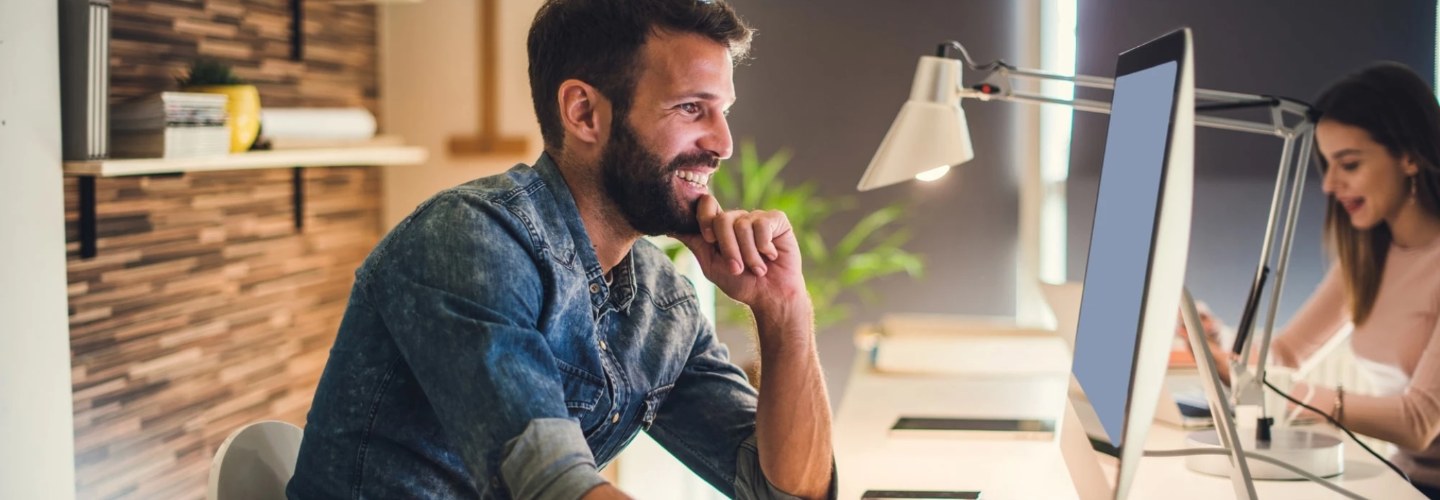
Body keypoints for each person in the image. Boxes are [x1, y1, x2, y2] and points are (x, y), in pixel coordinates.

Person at [285, 1, 836, 498]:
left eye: (723, 111)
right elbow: (549, 483)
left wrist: (784, 308)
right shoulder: (468, 240)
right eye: (692, 108)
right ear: (584, 113)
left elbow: (790, 493)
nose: (722, 144)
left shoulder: (661, 304)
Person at [1186, 62, 1440, 498]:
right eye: (1327, 164)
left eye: (1350, 164)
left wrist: (1290, 395)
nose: (1329, 184)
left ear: (1410, 156)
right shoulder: (1369, 254)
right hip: (1403, 480)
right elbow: (1285, 353)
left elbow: (1417, 422)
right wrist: (1221, 348)